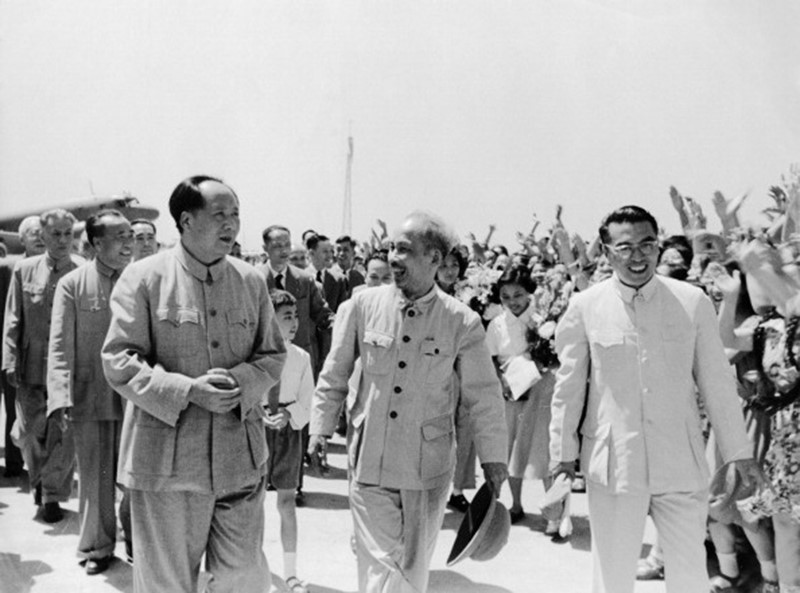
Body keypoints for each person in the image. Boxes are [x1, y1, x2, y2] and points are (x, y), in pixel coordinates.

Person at [549, 205, 762, 593]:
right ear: (606, 250)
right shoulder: (586, 306)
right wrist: (562, 458)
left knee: (689, 577)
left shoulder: (691, 301)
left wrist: (739, 453)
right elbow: (568, 390)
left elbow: (717, 382)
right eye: (625, 247)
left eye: (647, 245)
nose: (637, 256)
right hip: (614, 464)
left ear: (659, 246)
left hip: (680, 462)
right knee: (612, 578)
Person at [101, 175, 286, 593]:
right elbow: (118, 360)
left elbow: (273, 354)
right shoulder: (143, 278)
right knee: (167, 584)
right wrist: (188, 391)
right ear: (186, 220)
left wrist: (242, 383)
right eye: (219, 214)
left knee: (244, 577)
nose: (231, 224)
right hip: (167, 466)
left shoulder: (251, 280)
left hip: (239, 460)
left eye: (235, 214)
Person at [308, 211, 509, 593]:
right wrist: (319, 429)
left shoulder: (462, 322)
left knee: (412, 572)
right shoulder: (361, 306)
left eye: (405, 250)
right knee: (381, 567)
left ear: (435, 258)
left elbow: (483, 397)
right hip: (370, 460)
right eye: (391, 249)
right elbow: (333, 376)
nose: (394, 258)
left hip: (426, 469)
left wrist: (494, 458)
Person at [47, 209, 134, 574]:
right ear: (97, 244)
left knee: (138, 478)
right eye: (121, 236)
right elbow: (59, 344)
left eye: (131, 235)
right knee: (96, 480)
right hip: (91, 396)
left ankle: (140, 544)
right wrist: (60, 395)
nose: (129, 242)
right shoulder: (73, 284)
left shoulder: (142, 279)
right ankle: (97, 548)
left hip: (137, 398)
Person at [3, 209, 82, 523]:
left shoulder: (83, 270)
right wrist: (9, 360)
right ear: (43, 236)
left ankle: (50, 495)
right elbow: (13, 319)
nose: (62, 240)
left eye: (68, 234)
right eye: (55, 234)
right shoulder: (24, 269)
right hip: (31, 365)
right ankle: (40, 480)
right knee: (28, 432)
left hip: (68, 369)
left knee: (63, 434)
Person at [486, 265, 557, 531]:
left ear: (528, 292)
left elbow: (553, 351)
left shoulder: (541, 319)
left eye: (518, 294)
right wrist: (503, 382)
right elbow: (491, 358)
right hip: (510, 391)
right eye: (505, 296)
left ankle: (553, 509)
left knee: (542, 447)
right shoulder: (496, 324)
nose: (512, 301)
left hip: (540, 389)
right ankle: (516, 504)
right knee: (512, 446)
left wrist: (539, 365)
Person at [263, 289, 313, 593]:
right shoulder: (255, 353)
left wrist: (289, 414)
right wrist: (259, 414)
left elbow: (308, 399)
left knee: (286, 502)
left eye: (295, 316)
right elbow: (247, 391)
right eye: (286, 316)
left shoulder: (301, 357)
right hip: (258, 430)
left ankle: (291, 573)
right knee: (250, 503)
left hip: (288, 433)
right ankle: (252, 567)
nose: (293, 322)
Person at [0, 216, 45, 478]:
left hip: (43, 354)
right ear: (23, 238)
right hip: (14, 351)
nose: (39, 238)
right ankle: (15, 464)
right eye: (33, 233)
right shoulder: (9, 268)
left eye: (43, 233)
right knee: (13, 407)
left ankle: (41, 471)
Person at [307, 233, 348, 313]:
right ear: (312, 253)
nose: (330, 255)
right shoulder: (300, 278)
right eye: (325, 252)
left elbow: (342, 311)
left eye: (331, 251)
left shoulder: (339, 279)